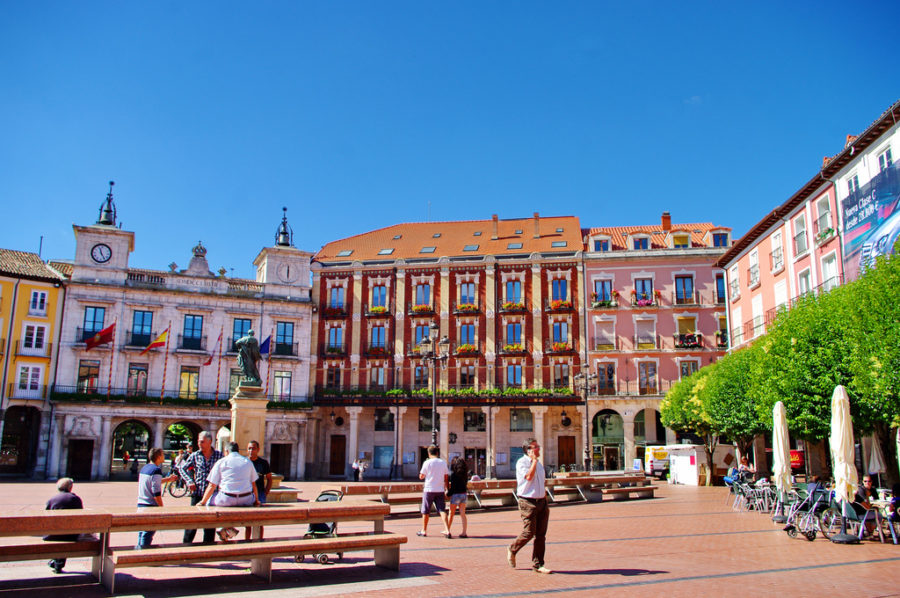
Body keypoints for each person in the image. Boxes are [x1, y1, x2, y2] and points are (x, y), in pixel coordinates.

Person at [199, 442, 259, 542]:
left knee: (210, 501)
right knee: (237, 506)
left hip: (226, 499)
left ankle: (224, 528)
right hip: (246, 499)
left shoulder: (221, 462)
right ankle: (228, 528)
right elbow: (254, 484)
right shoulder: (247, 462)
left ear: (226, 451)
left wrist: (202, 502)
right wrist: (256, 500)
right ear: (238, 451)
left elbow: (212, 485)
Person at [507, 438, 551, 574]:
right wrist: (534, 461)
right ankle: (512, 549)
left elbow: (541, 482)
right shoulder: (522, 462)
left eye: (538, 446)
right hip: (528, 501)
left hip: (541, 501)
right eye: (536, 447)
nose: (539, 449)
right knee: (529, 532)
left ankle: (538, 564)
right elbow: (528, 477)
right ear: (529, 450)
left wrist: (544, 497)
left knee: (541, 535)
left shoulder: (539, 464)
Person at [177, 431, 223, 544]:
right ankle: (186, 545)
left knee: (210, 525)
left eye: (202, 441)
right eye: (198, 441)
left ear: (210, 442)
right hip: (197, 494)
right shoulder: (195, 455)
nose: (199, 444)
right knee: (192, 522)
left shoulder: (219, 456)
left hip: (212, 496)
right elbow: (181, 468)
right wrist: (189, 481)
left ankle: (207, 547)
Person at [136, 448, 178, 549]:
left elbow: (152, 482)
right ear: (158, 457)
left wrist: (168, 479)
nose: (164, 456)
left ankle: (138, 550)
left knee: (142, 531)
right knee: (148, 532)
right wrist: (161, 508)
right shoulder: (156, 470)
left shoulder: (145, 468)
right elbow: (156, 493)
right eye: (163, 454)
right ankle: (143, 553)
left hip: (141, 504)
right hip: (150, 506)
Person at [43, 477, 83, 574]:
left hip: (52, 535)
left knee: (58, 534)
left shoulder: (52, 499)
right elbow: (81, 517)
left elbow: (45, 516)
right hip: (70, 535)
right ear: (70, 488)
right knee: (67, 534)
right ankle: (58, 563)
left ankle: (56, 561)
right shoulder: (75, 499)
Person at [417, 445, 451, 538]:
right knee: (442, 509)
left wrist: (424, 475)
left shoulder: (427, 463)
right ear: (437, 453)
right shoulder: (443, 462)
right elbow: (446, 477)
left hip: (429, 489)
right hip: (439, 489)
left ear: (429, 453)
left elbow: (421, 476)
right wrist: (446, 488)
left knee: (426, 511)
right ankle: (447, 530)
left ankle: (424, 530)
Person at [244, 440, 272, 540]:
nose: (251, 451)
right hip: (247, 493)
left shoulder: (263, 463)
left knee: (260, 520)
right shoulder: (244, 462)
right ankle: (247, 541)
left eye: (253, 448)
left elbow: (269, 478)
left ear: (258, 450)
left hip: (260, 493)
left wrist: (266, 491)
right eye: (249, 448)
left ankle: (259, 541)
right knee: (247, 522)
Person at [446, 456, 469, 538]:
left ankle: (447, 530)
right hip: (463, 494)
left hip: (456, 495)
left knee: (451, 514)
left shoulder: (453, 474)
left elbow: (453, 487)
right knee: (463, 514)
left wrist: (448, 494)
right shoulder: (465, 474)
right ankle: (464, 532)